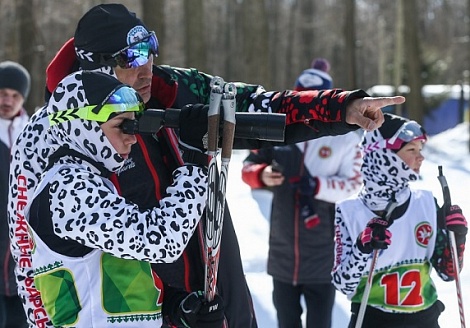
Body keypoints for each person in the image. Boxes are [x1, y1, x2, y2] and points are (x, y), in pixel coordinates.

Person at [8, 3, 406, 327]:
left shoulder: (174, 90)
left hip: (221, 287)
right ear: (93, 66)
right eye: (130, 58)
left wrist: (341, 108)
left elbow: (260, 106)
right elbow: (30, 253)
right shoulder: (52, 133)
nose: (146, 68)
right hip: (140, 311)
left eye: (150, 51)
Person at [24, 70, 224, 327]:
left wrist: (175, 306)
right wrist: (195, 162)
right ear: (82, 126)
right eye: (122, 126)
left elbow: (111, 274)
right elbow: (162, 241)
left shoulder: (86, 184)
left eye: (134, 126)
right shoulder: (67, 189)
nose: (132, 138)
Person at [241, 58, 363, 328]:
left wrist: (318, 185)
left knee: (320, 322)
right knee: (286, 322)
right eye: (298, 97)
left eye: (310, 98)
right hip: (282, 248)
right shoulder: (276, 128)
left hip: (322, 250)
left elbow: (353, 185)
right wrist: (261, 174)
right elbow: (247, 168)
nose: (303, 105)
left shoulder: (345, 138)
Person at [331, 113, 467, 328]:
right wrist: (362, 249)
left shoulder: (426, 203)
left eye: (420, 150)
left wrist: (458, 237)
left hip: (424, 319)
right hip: (373, 319)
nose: (420, 157)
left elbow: (447, 272)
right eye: (411, 150)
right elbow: (343, 284)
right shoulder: (349, 211)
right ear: (383, 155)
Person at [0, 60, 30, 328]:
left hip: (24, 262)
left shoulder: (33, 136)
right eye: (2, 93)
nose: (7, 100)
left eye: (15, 95)